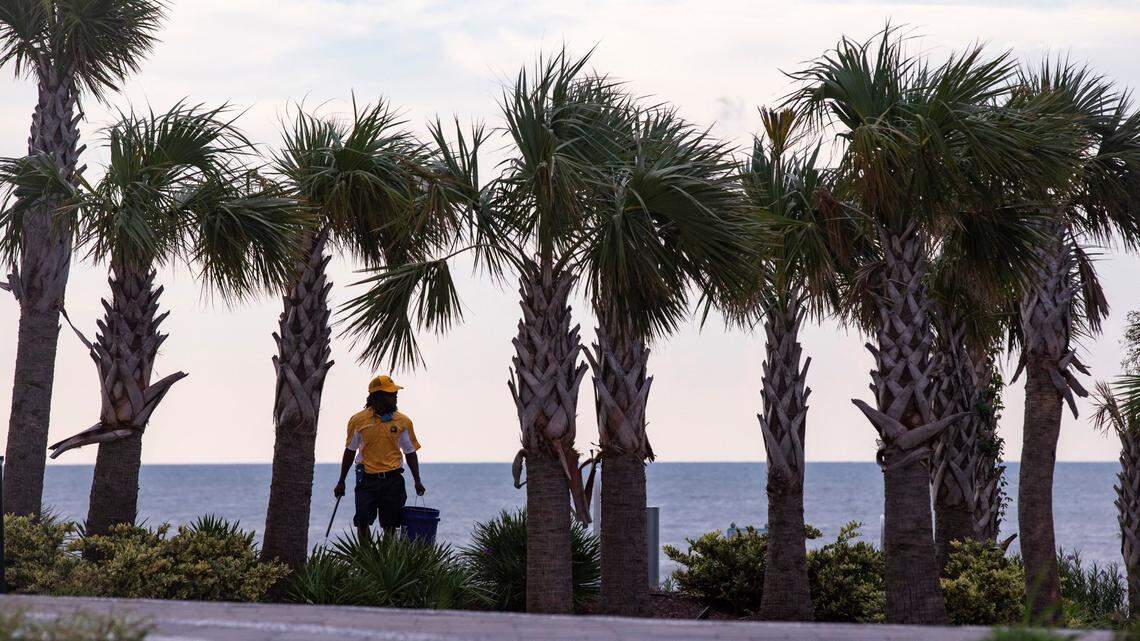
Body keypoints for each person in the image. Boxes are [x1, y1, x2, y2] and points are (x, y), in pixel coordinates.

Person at [334, 375, 425, 541]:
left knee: (390, 524)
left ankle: (387, 561)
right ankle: (366, 558)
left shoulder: (403, 421)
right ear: (377, 396)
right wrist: (341, 481)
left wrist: (417, 480)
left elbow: (410, 452)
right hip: (366, 479)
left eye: (395, 393)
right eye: (390, 393)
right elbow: (350, 451)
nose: (395, 396)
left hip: (393, 479)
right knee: (362, 521)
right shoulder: (358, 420)